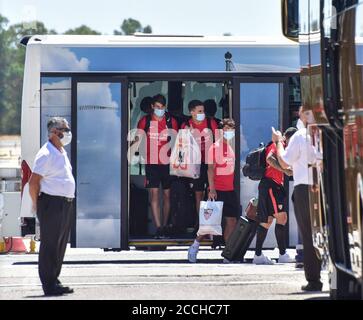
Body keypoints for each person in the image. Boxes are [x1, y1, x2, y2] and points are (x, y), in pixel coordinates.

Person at [272, 107, 323, 292]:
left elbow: (285, 161)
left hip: (304, 187)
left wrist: (278, 142)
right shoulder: (328, 133)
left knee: (309, 233)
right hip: (325, 186)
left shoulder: (300, 136)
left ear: (304, 114)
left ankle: (314, 279)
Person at [28, 117, 75, 296]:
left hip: (64, 203)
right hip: (51, 203)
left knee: (60, 244)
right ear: (54, 133)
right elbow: (34, 182)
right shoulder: (46, 153)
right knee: (50, 244)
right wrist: (36, 203)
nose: (68, 133)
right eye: (64, 129)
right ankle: (48, 284)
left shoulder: (60, 151)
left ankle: (54, 279)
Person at [187, 118, 238, 263]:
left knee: (232, 221)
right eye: (226, 130)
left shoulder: (231, 147)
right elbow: (210, 169)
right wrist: (212, 189)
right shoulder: (214, 147)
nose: (229, 132)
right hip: (217, 189)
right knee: (209, 224)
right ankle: (194, 246)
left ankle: (228, 253)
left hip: (230, 189)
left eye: (231, 130)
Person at [135, 94, 179, 238]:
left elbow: (178, 142)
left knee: (167, 195)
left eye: (162, 107)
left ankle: (165, 226)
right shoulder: (145, 121)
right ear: (152, 107)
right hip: (151, 162)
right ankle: (158, 228)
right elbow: (137, 139)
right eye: (157, 107)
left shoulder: (171, 121)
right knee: (154, 194)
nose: (160, 110)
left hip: (167, 163)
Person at [253, 127, 297, 265]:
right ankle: (282, 254)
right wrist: (286, 170)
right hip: (271, 185)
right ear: (287, 138)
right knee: (281, 218)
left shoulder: (283, 147)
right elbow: (270, 159)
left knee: (268, 221)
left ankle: (258, 255)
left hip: (272, 186)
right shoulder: (278, 144)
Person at [181, 100, 219, 220]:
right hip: (195, 165)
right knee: (198, 195)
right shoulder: (185, 125)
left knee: (211, 193)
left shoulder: (210, 122)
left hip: (210, 164)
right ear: (192, 112)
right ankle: (200, 223)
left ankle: (211, 224)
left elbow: (218, 141)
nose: (203, 113)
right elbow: (181, 147)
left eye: (203, 111)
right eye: (200, 111)